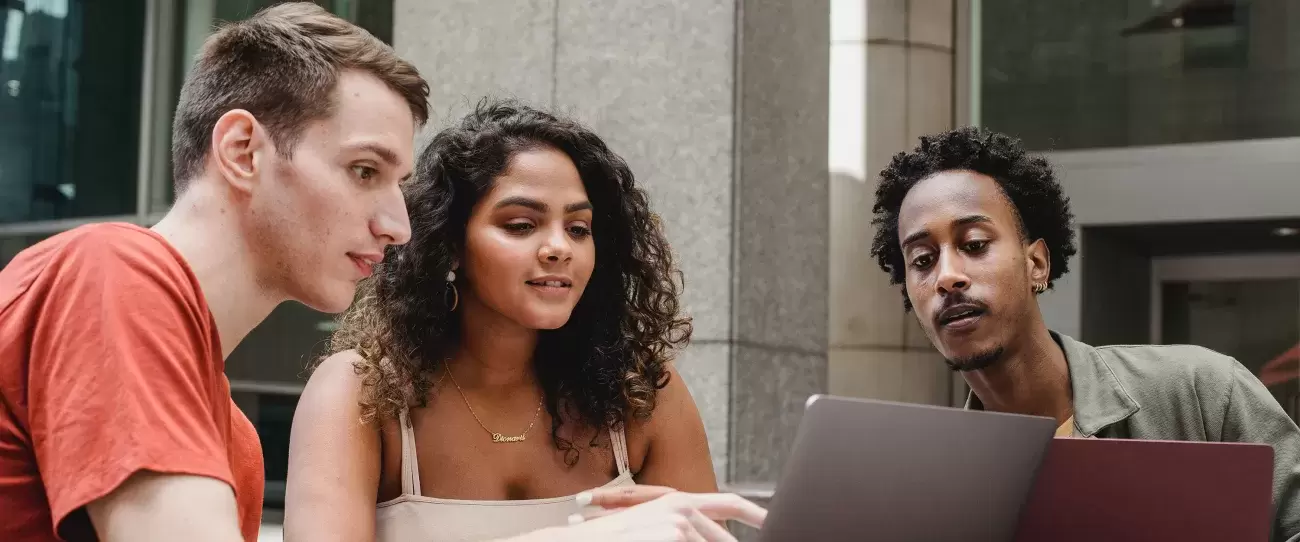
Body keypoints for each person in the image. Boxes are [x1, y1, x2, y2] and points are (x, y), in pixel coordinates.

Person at [0, 3, 429, 540]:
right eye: (365, 171)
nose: (399, 226)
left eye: (401, 186)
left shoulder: (236, 442)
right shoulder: (113, 271)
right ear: (242, 151)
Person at [284, 100, 763, 542]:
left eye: (578, 229)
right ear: (449, 245)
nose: (560, 247)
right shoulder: (360, 392)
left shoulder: (640, 392)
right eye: (521, 225)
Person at [867, 126, 1300, 541]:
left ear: (1036, 263)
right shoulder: (937, 487)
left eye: (975, 244)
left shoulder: (1201, 392)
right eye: (922, 260)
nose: (947, 277)